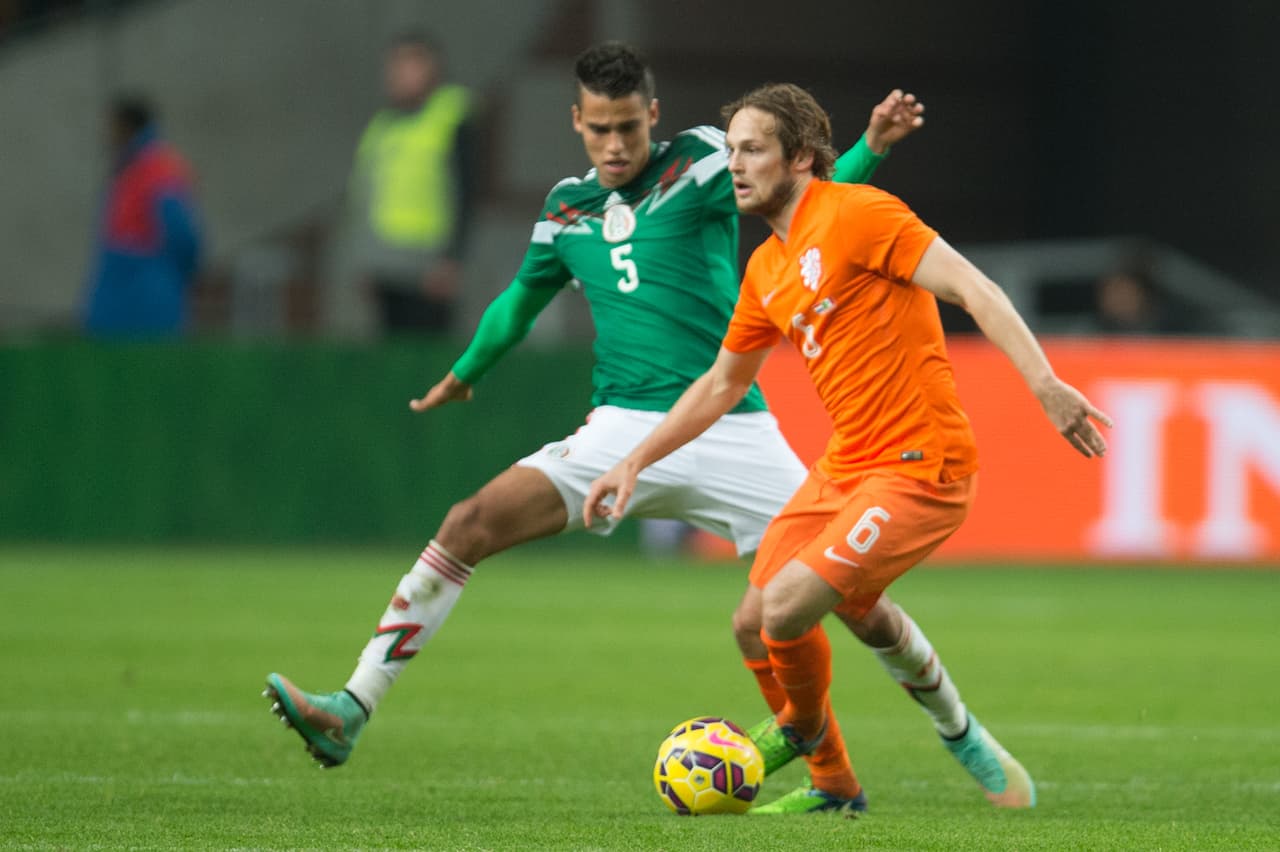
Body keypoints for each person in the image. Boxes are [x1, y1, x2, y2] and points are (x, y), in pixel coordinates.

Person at [263, 43, 929, 809]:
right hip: (619, 428)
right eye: (598, 130)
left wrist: (871, 147)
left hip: (730, 421)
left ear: (652, 115)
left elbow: (816, 203)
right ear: (577, 121)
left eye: (628, 128)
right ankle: (352, 707)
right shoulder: (565, 207)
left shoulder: (705, 161)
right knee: (468, 522)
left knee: (846, 597)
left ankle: (954, 725)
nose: (615, 146)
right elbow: (521, 297)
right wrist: (468, 370)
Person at [585, 82, 1113, 814]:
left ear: (800, 157)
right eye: (730, 148)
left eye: (752, 149)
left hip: (922, 467)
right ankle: (841, 785)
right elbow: (718, 384)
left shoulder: (860, 214)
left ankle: (803, 730)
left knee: (789, 608)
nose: (733, 165)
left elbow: (974, 287)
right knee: (760, 621)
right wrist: (634, 461)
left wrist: (1046, 385)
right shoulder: (767, 269)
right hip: (848, 467)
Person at [344, 30, 477, 335]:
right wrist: (363, 259)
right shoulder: (383, 126)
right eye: (396, 65)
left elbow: (466, 191)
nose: (400, 74)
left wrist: (451, 259)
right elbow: (364, 196)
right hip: (384, 264)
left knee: (426, 358)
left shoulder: (451, 114)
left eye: (410, 64)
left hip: (427, 266)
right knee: (391, 359)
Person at [83, 94, 203, 337]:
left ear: (127, 126)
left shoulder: (157, 167)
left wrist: (165, 278)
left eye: (111, 126)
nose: (106, 135)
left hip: (145, 300)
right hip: (127, 296)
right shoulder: (129, 167)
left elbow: (183, 236)